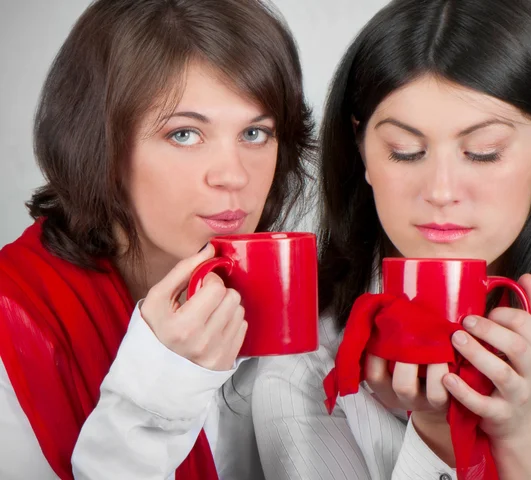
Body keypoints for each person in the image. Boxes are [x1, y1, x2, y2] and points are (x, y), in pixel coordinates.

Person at [252, 0, 531, 478]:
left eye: (482, 153)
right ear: (363, 152)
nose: (440, 192)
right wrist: (437, 435)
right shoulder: (305, 374)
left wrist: (524, 427)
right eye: (406, 152)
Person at [0, 0, 314, 479]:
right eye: (184, 134)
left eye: (255, 132)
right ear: (100, 146)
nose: (234, 176)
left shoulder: (308, 312)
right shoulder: (14, 326)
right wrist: (155, 398)